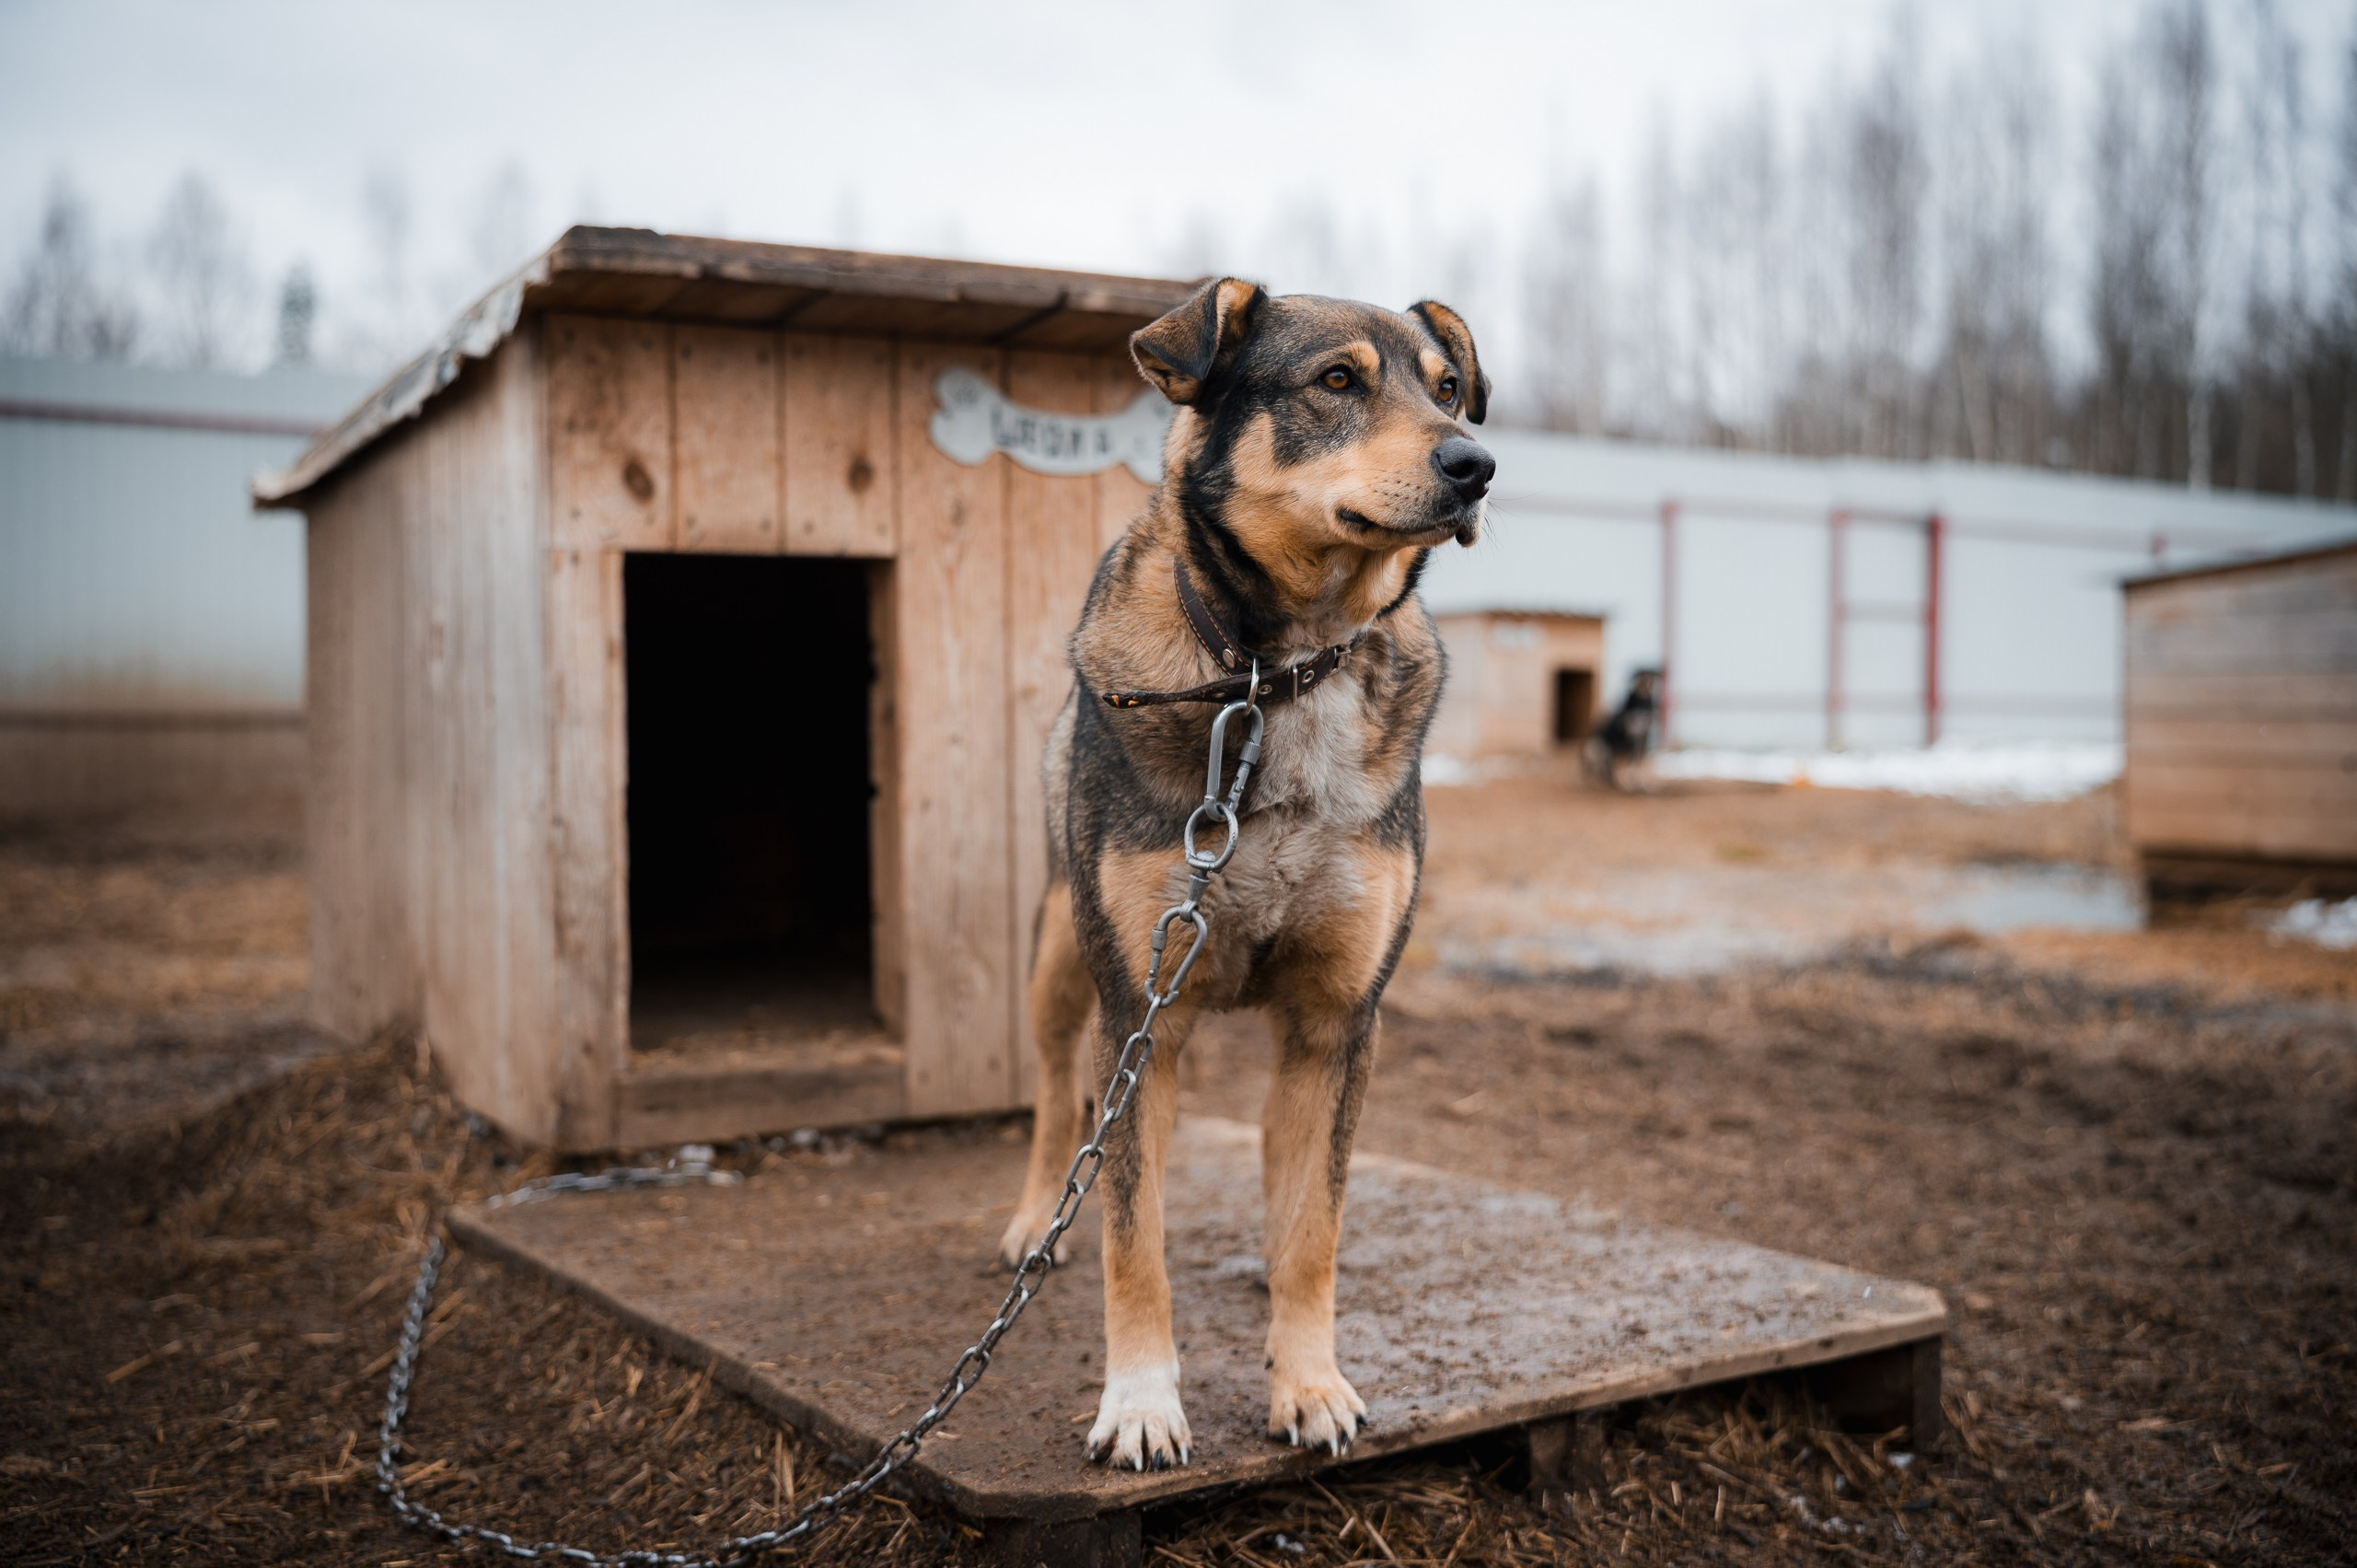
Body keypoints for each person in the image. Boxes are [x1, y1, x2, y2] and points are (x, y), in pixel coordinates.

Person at [1593, 668, 1660, 790]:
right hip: (1619, 738)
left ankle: (1634, 776)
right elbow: (1623, 719)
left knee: (1636, 755)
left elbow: (1649, 718)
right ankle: (1615, 778)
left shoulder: (1649, 700)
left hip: (1638, 737)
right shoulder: (1631, 699)